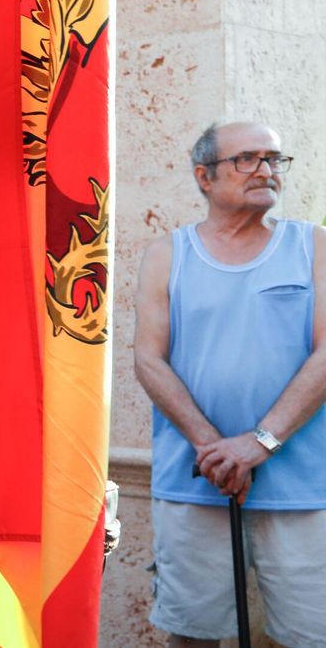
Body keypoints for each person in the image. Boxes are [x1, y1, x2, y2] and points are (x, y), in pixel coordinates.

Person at [134, 122, 326, 646]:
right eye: (247, 159)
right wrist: (211, 448)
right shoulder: (165, 255)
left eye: (274, 159)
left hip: (303, 490)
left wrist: (259, 442)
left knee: (312, 636)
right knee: (191, 635)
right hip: (197, 481)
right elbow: (149, 360)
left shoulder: (313, 246)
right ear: (204, 176)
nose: (265, 169)